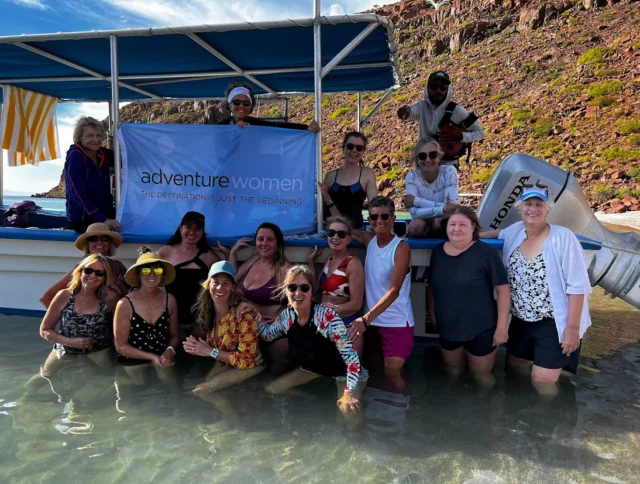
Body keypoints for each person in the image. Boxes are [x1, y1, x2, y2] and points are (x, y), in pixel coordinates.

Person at [480, 182, 592, 396]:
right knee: (516, 366)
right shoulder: (515, 232)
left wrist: (572, 329)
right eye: (528, 204)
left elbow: (578, 286)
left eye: (539, 204)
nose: (533, 209)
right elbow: (497, 233)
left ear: (548, 209)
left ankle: (547, 423)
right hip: (522, 320)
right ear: (520, 209)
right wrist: (469, 237)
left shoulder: (563, 237)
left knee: (542, 381)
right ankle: (521, 413)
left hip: (554, 322)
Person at [258, 265, 366, 414]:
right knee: (271, 390)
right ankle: (312, 399)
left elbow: (352, 360)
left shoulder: (327, 317)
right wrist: (253, 313)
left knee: (348, 413)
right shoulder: (286, 317)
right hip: (312, 369)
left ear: (312, 292)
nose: (298, 293)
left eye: (304, 288)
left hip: (344, 373)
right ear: (286, 291)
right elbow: (267, 335)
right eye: (292, 287)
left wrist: (349, 392)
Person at [427, 206, 511, 387]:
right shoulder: (437, 253)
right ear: (446, 227)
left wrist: (501, 328)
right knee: (453, 371)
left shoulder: (486, 253)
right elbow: (432, 288)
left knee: (482, 376)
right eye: (453, 224)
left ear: (473, 227)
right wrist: (433, 317)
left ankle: (485, 409)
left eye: (463, 225)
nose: (457, 229)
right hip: (447, 326)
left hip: (481, 328)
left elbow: (503, 291)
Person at [349, 196, 414, 392]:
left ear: (393, 219)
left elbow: (394, 291)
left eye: (385, 216)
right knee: (374, 372)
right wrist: (327, 199)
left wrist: (365, 319)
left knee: (392, 374)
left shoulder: (401, 248)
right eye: (374, 217)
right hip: (372, 324)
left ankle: (406, 408)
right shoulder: (369, 241)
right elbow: (344, 228)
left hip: (396, 323)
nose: (379, 221)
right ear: (369, 220)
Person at [183, 261, 264, 400]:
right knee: (194, 388)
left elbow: (247, 361)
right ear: (208, 285)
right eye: (216, 282)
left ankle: (230, 418)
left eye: (226, 283)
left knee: (202, 390)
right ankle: (228, 417)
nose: (220, 287)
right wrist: (195, 348)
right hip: (226, 362)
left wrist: (209, 351)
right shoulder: (207, 313)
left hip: (252, 365)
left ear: (233, 287)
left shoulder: (243, 316)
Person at [38, 254, 116, 378]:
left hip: (99, 352)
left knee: (104, 381)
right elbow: (44, 330)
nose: (92, 276)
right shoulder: (64, 296)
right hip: (65, 349)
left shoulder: (110, 298)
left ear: (104, 278)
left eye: (99, 273)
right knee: (44, 377)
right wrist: (70, 342)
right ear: (80, 272)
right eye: (88, 271)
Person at [229, 222, 292, 364]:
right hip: (242, 325)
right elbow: (231, 283)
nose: (264, 243)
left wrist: (278, 315)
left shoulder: (284, 269)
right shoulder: (253, 260)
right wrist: (233, 253)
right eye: (260, 239)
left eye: (270, 239)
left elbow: (298, 302)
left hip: (265, 330)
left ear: (278, 243)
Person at [114, 248, 179, 383]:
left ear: (163, 275)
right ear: (138, 275)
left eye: (157, 270)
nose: (152, 275)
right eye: (145, 270)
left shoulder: (170, 300)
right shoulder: (125, 303)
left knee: (171, 389)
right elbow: (121, 346)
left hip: (162, 359)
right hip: (132, 361)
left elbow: (175, 335)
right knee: (135, 395)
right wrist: (151, 357)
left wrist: (169, 351)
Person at [397, 71, 484, 166]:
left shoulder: (457, 111)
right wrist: (405, 112)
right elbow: (411, 113)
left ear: (448, 90)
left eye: (443, 87)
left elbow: (480, 132)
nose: (438, 90)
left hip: (448, 166)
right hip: (425, 164)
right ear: (428, 89)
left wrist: (460, 136)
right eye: (434, 87)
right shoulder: (422, 107)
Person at [157, 211, 223, 337]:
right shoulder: (165, 252)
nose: (192, 232)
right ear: (180, 228)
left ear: (202, 233)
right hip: (171, 318)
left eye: (197, 229)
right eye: (188, 227)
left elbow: (228, 280)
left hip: (200, 321)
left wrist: (230, 254)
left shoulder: (208, 256)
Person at [307, 215, 365, 355]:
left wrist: (336, 309)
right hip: (324, 324)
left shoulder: (353, 264)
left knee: (346, 375)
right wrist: (311, 262)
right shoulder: (329, 259)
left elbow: (357, 304)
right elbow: (317, 291)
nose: (335, 237)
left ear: (349, 238)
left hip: (346, 325)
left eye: (341, 234)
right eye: (331, 233)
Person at [40, 223, 127, 309]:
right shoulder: (81, 269)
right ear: (87, 245)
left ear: (109, 243)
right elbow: (47, 298)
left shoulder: (118, 267)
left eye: (104, 239)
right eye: (93, 239)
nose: (99, 242)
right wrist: (67, 318)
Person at [63, 117, 121, 233]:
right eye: (90, 136)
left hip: (105, 213)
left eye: (99, 135)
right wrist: (103, 219)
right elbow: (78, 194)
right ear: (79, 137)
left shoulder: (102, 154)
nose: (95, 139)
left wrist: (122, 134)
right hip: (84, 219)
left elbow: (123, 160)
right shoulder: (76, 156)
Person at [319, 131, 378, 229]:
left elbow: (374, 205)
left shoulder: (368, 174)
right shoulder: (330, 176)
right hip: (331, 232)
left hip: (356, 231)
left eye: (359, 148)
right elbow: (320, 206)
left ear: (363, 152)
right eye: (350, 146)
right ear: (343, 148)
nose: (354, 150)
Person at [404, 138, 459, 238]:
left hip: (444, 219)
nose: (428, 160)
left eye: (433, 155)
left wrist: (416, 201)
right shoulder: (412, 176)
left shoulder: (449, 171)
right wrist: (443, 208)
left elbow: (452, 208)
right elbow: (414, 213)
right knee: (415, 227)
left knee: (440, 222)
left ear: (439, 157)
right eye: (422, 156)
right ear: (417, 159)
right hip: (426, 219)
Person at [210, 82, 321, 132]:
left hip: (252, 177)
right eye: (236, 102)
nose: (241, 106)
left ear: (251, 106)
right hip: (227, 177)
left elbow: (279, 127)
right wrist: (235, 132)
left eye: (246, 103)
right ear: (229, 104)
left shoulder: (256, 124)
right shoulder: (220, 128)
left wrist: (306, 128)